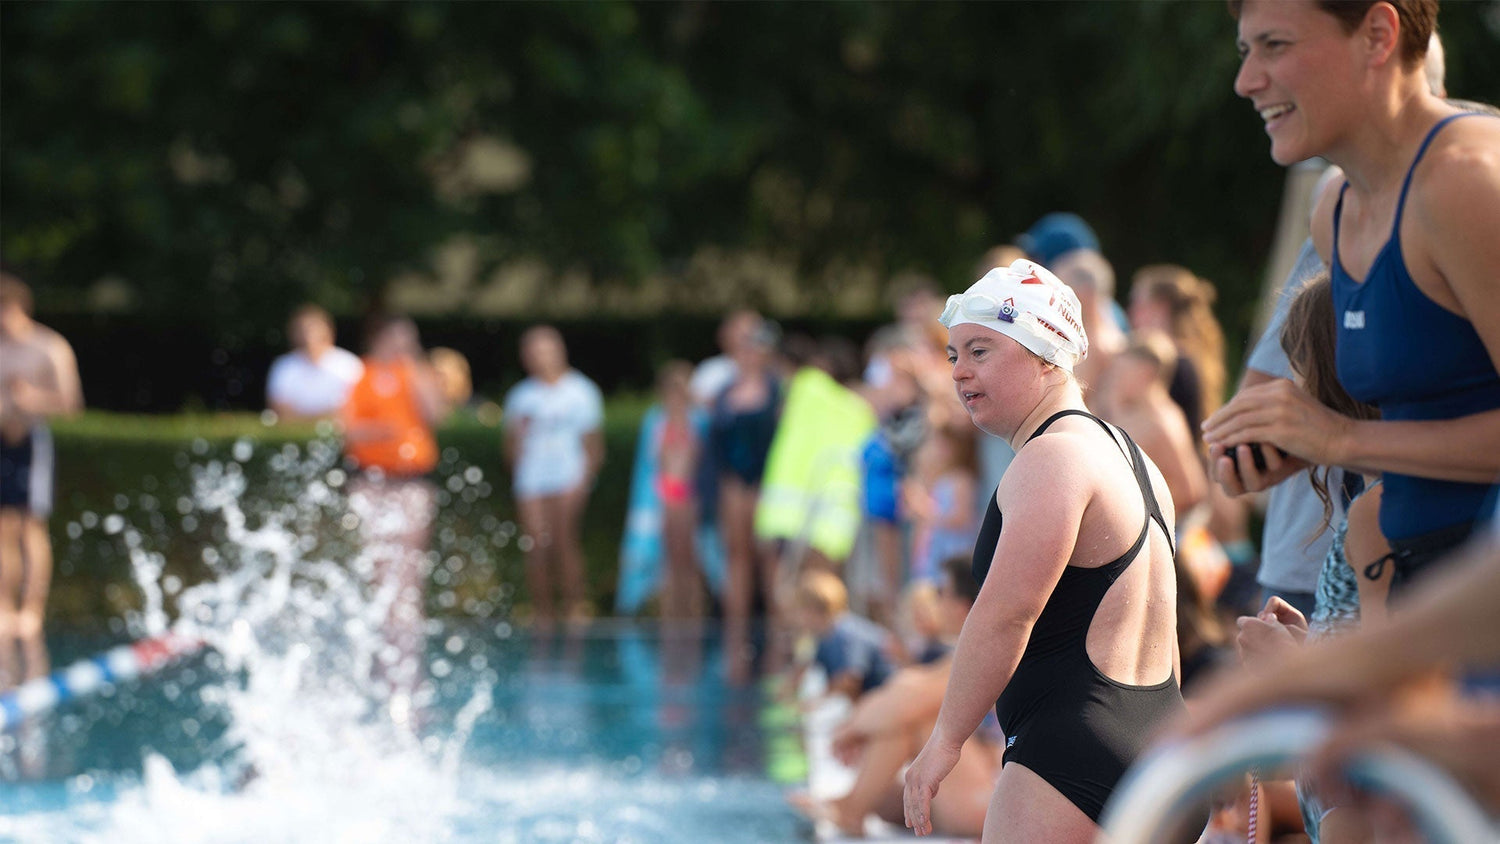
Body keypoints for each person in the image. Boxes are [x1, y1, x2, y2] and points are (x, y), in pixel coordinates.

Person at [1207, 0, 1500, 596]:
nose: (1247, 81)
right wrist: (1289, 440)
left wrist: (1338, 438)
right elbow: (1431, 414)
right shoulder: (1334, 209)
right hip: (1411, 591)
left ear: (1377, 34)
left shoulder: (1469, 180)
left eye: (1275, 46)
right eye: (1246, 51)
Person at [902, 259, 1189, 841]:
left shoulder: (1052, 457)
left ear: (1045, 355)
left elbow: (1006, 614)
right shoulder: (1134, 460)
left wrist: (945, 741)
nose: (959, 372)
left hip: (1069, 755)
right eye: (954, 354)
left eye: (981, 351)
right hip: (1163, 745)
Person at [789, 555, 997, 839]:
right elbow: (906, 684)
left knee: (913, 719)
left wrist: (852, 729)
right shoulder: (970, 652)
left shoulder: (984, 654)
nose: (936, 602)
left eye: (941, 593)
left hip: (983, 801)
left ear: (962, 606)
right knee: (887, 797)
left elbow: (906, 701)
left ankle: (851, 810)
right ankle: (853, 803)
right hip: (981, 788)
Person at [340, 315, 446, 709]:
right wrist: (385, 432)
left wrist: (415, 366)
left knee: (408, 569)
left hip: (412, 483)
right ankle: (381, 644)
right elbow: (349, 429)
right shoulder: (361, 375)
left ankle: (407, 649)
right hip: (371, 482)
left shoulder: (416, 374)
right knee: (379, 566)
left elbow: (435, 415)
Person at [503, 325, 605, 629]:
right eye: (534, 351)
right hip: (532, 480)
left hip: (567, 477)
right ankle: (542, 611)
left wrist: (583, 481)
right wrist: (520, 474)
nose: (541, 357)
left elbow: (593, 445)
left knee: (564, 541)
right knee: (536, 544)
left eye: (546, 349)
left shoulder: (581, 392)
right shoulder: (520, 396)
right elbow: (511, 446)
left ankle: (575, 607)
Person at [0, 273, 83, 640]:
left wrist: (30, 400)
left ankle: (32, 610)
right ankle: (3, 608)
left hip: (33, 440)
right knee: (2, 527)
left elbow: (71, 405)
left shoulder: (49, 347)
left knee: (30, 525)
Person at [790, 567, 896, 702]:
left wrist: (818, 700)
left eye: (800, 610)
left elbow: (852, 679)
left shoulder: (847, 632)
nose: (798, 618)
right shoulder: (822, 637)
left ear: (812, 610)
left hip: (888, 697)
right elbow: (807, 668)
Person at [265, 304, 364, 422]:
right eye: (303, 330)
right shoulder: (283, 366)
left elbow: (355, 406)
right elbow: (278, 408)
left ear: (328, 330)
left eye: (314, 329)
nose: (309, 336)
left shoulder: (350, 364)